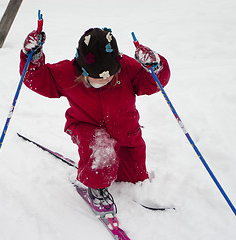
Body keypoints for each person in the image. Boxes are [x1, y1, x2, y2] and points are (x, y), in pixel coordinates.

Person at [19, 27, 170, 212]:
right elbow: (38, 79)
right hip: (86, 127)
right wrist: (32, 59)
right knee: (102, 148)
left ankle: (125, 180)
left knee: (133, 178)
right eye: (93, 78)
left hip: (126, 130)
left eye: (107, 78)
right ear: (81, 67)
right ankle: (96, 188)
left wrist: (155, 67)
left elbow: (153, 82)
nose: (101, 82)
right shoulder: (68, 73)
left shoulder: (127, 68)